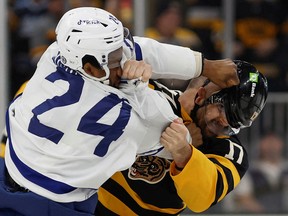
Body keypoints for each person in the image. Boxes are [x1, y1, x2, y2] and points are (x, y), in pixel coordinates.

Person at [1, 7, 238, 216]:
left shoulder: (54, 54)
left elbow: (137, 48)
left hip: (11, 171)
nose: (125, 60)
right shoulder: (120, 119)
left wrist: (204, 65)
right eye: (115, 59)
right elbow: (177, 137)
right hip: (56, 206)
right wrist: (136, 89)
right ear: (91, 67)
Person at [95, 60, 268, 215]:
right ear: (201, 95)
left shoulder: (231, 153)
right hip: (90, 198)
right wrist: (124, 71)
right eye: (220, 117)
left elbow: (201, 200)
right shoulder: (152, 95)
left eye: (232, 126)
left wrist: (185, 153)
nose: (222, 128)